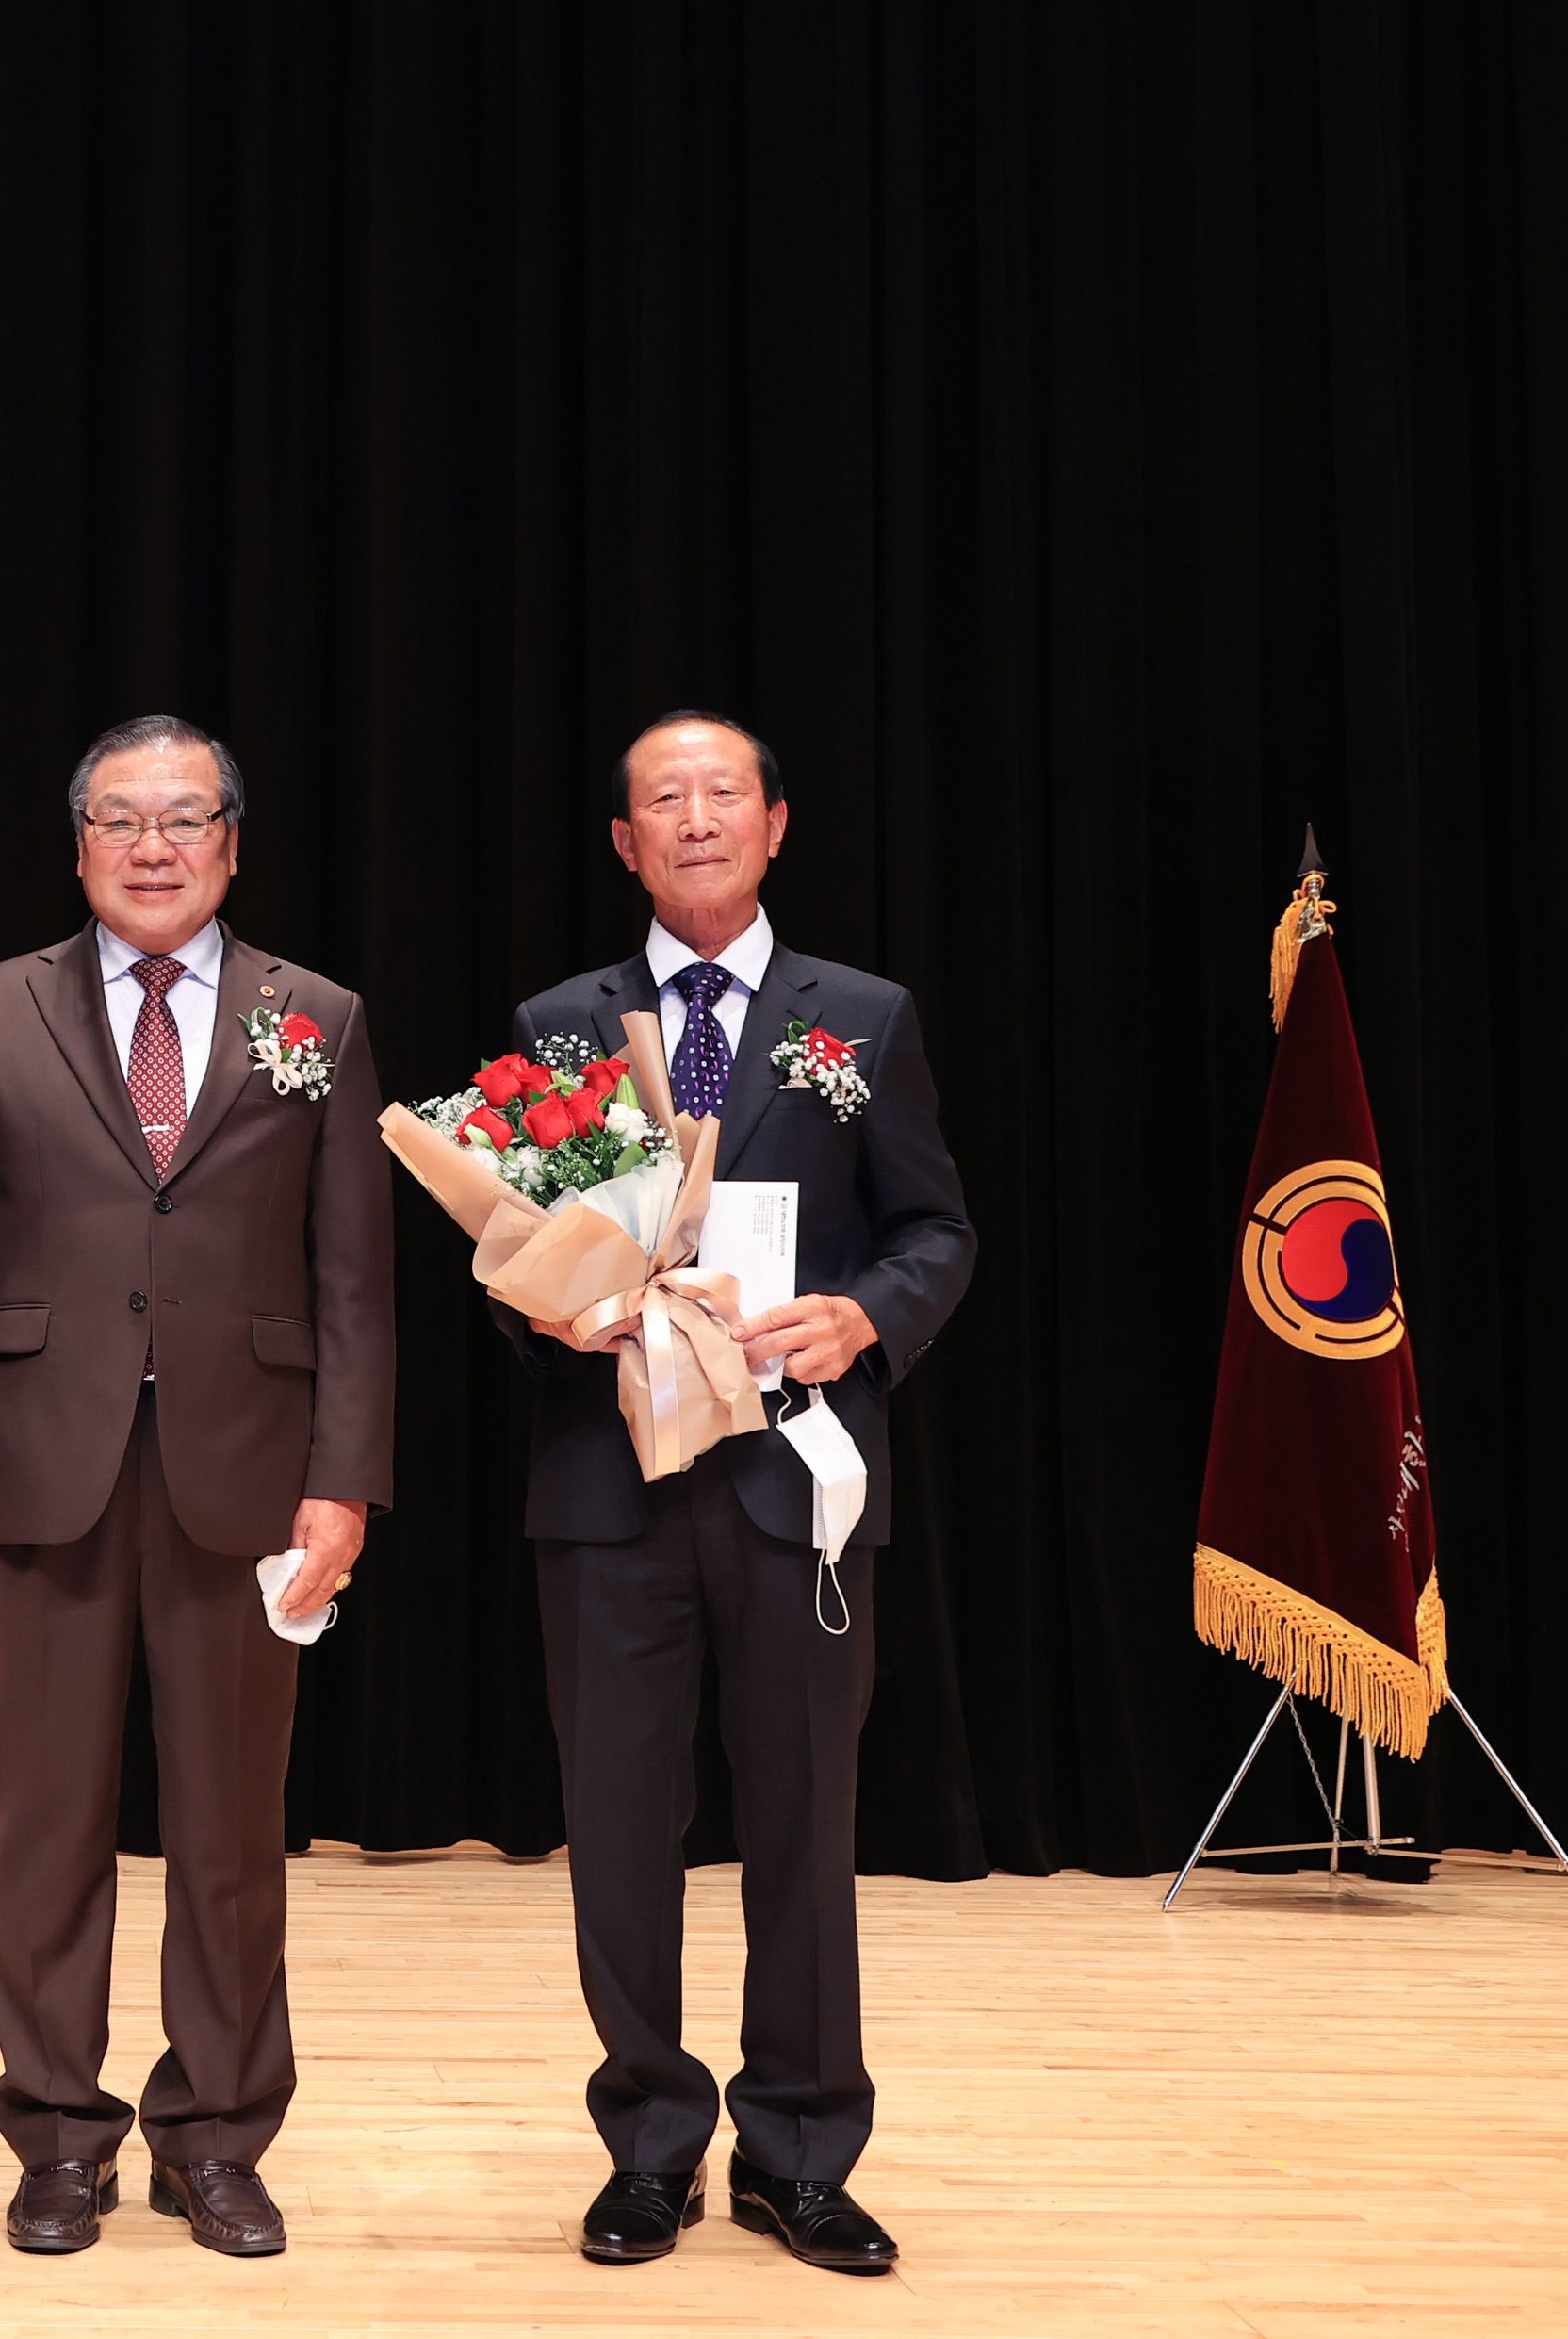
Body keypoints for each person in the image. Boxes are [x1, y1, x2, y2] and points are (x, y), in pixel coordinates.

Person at [0, 714, 393, 2260]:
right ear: (80, 844)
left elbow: (354, 1278)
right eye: (121, 819)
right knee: (43, 1823)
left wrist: (344, 1481)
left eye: (184, 818)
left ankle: (216, 2135)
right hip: (42, 1467)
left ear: (233, 844)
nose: (153, 845)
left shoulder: (315, 1013)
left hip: (247, 1477)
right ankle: (55, 2134)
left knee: (232, 1831)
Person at [505, 712, 973, 2274]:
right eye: (661, 799)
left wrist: (864, 1318)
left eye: (722, 794)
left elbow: (933, 1234)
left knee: (803, 1824)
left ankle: (798, 2147)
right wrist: (541, 1302)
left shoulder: (865, 1016)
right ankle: (649, 2145)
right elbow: (509, 1246)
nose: (694, 819)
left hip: (797, 1486)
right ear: (624, 843)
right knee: (619, 1829)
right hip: (610, 1486)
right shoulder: (559, 1023)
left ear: (775, 823)